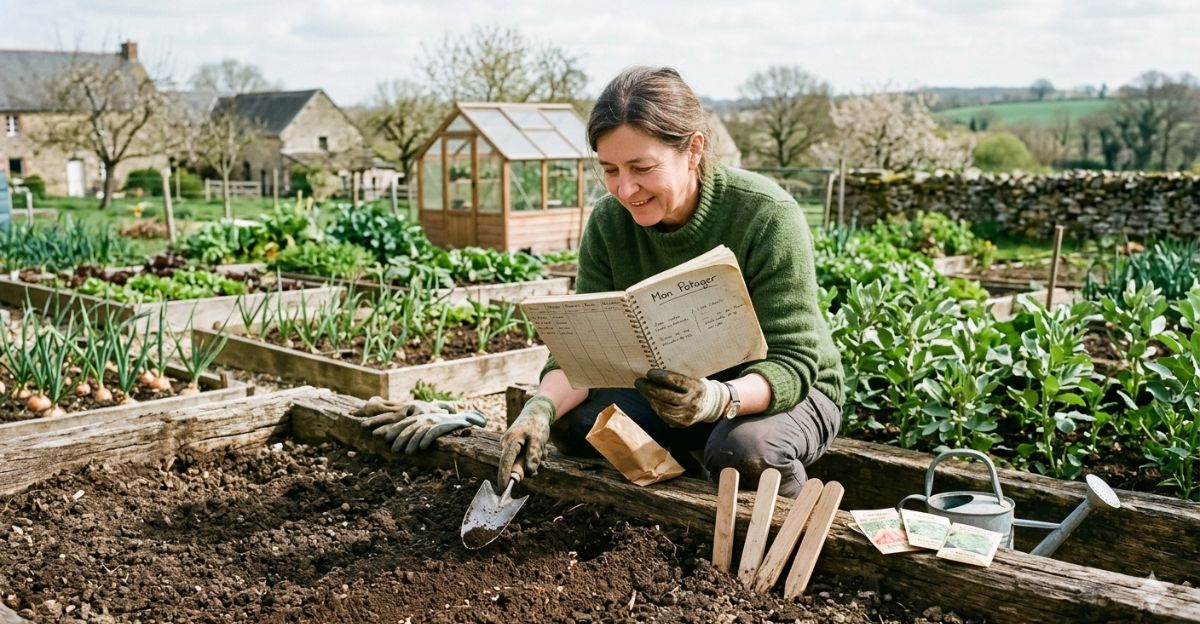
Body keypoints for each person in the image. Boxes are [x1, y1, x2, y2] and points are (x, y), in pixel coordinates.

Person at [498, 66, 845, 498]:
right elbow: (583, 354)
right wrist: (539, 408)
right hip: (670, 394)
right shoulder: (609, 223)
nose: (625, 189)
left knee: (743, 452)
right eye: (610, 170)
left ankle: (792, 528)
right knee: (574, 425)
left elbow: (793, 361)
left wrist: (713, 400)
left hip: (781, 392)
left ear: (694, 149)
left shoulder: (767, 215)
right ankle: (675, 504)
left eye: (642, 168)